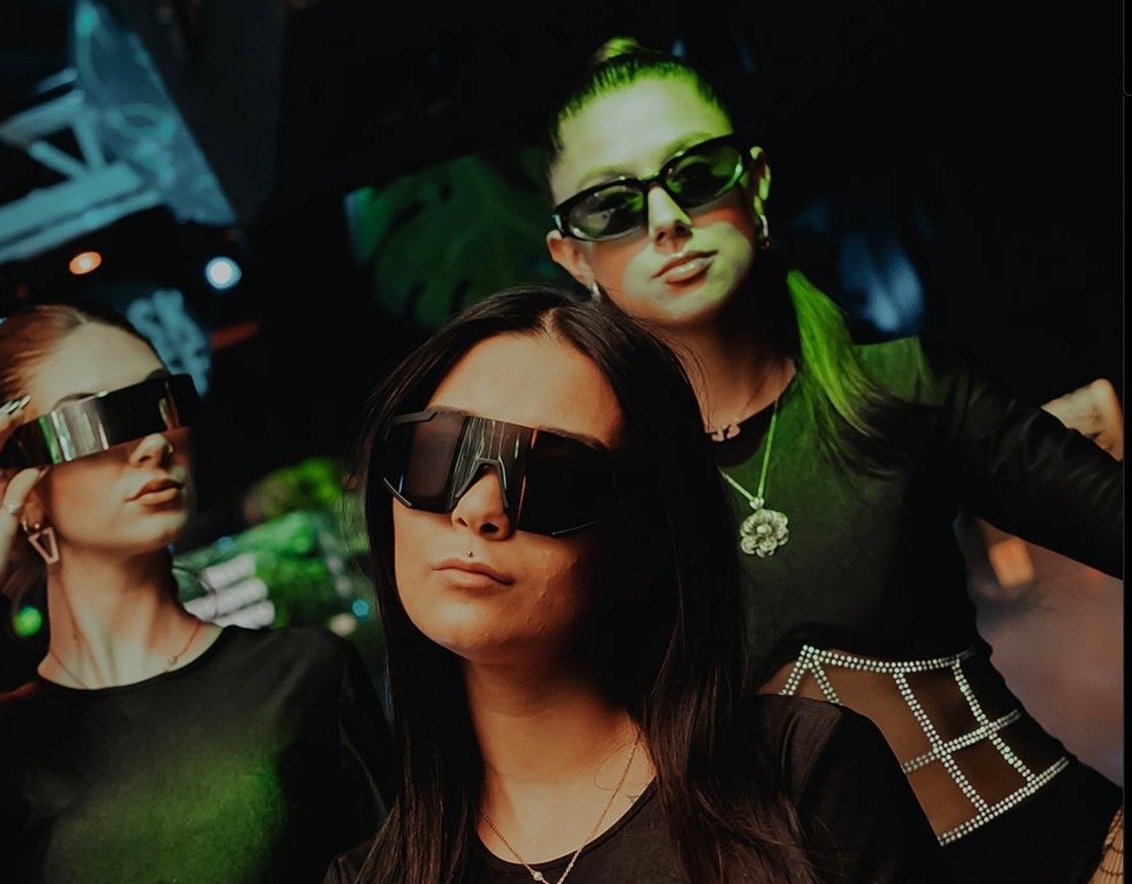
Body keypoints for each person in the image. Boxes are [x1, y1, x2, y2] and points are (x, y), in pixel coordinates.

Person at [541, 37, 1123, 883]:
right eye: (612, 205)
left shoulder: (906, 386)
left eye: (697, 174)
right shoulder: (598, 503)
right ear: (572, 255)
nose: (666, 219)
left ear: (755, 183)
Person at [325, 285, 949, 883]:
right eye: (439, 453)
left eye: (554, 477)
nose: (478, 508)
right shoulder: (368, 877)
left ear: (648, 547)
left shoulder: (802, 775)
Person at [0, 303, 395, 883]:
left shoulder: (302, 675)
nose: (154, 443)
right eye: (96, 418)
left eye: (164, 402)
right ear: (14, 489)